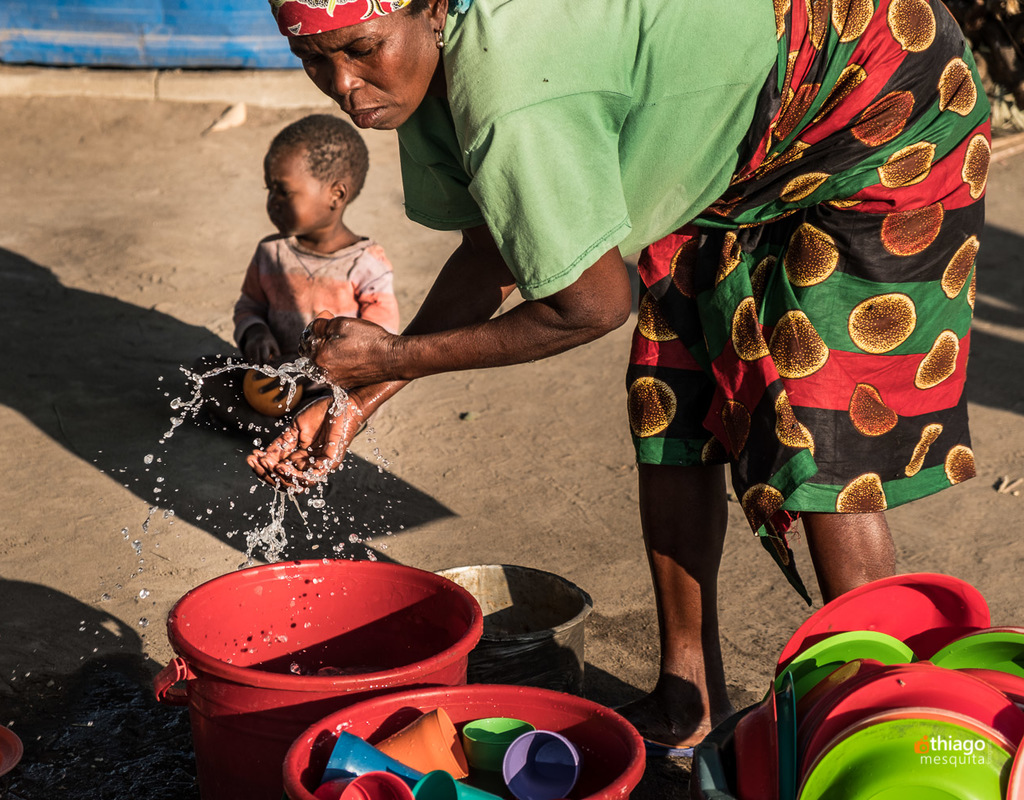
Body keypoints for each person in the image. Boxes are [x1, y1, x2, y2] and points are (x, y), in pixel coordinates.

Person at [251, 0, 991, 752]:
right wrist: (354, 401)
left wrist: (392, 357)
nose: (343, 84)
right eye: (316, 61)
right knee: (671, 383)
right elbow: (492, 250)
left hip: (875, 82)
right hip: (751, 123)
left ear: (432, 9)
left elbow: (591, 305)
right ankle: (687, 698)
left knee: (816, 405)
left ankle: (879, 722)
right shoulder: (420, 79)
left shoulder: (508, 91)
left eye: (362, 49)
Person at [196, 113, 400, 428]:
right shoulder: (270, 253)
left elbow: (380, 338)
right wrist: (255, 332)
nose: (272, 202)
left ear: (336, 195)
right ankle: (279, 432)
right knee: (206, 375)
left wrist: (332, 365)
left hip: (330, 387)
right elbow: (249, 306)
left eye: (283, 192)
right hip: (271, 378)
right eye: (269, 190)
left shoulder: (365, 264)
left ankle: (286, 430)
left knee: (335, 411)